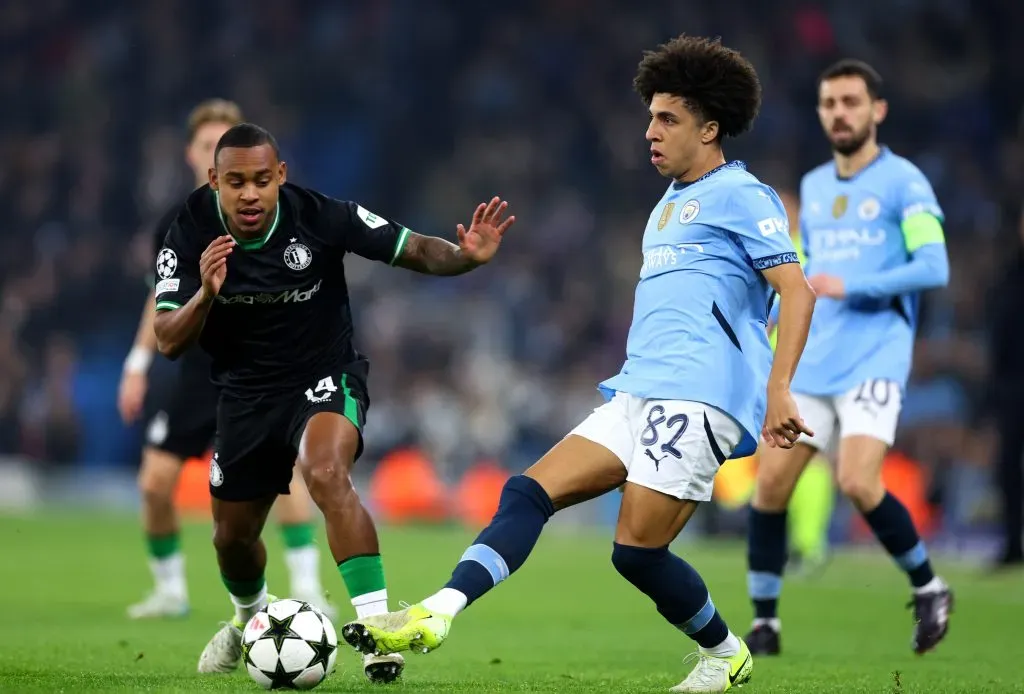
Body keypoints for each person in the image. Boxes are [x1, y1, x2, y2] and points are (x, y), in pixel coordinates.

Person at [340, 35, 816, 693]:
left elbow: (797, 289)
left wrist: (781, 389)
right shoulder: (666, 207)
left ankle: (725, 654)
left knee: (636, 553)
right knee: (527, 491)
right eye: (649, 116)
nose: (650, 131)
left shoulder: (743, 194)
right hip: (639, 390)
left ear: (710, 128)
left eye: (668, 119)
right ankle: (437, 612)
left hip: (699, 397)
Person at [152, 122, 514, 682]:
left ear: (281, 177)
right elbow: (168, 339)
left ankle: (378, 632)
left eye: (262, 180)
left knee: (325, 472)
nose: (250, 194)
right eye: (236, 182)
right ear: (214, 181)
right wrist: (205, 293)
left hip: (323, 373)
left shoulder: (319, 215)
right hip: (245, 393)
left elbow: (413, 248)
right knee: (232, 538)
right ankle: (249, 621)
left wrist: (465, 258)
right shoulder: (190, 229)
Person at [745, 59, 952, 657]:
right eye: (830, 103)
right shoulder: (812, 186)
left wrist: (853, 284)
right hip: (816, 360)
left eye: (851, 102)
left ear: (876, 110)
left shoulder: (905, 183)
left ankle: (929, 586)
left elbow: (933, 266)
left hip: (873, 354)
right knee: (770, 487)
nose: (840, 113)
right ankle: (765, 623)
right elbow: (808, 274)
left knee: (858, 482)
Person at [118, 99, 334, 621]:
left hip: (259, 369)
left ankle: (307, 587)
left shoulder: (276, 213)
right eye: (204, 145)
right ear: (195, 155)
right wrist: (137, 363)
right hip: (197, 368)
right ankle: (170, 591)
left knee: (285, 476)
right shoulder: (176, 222)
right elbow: (160, 299)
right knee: (153, 483)